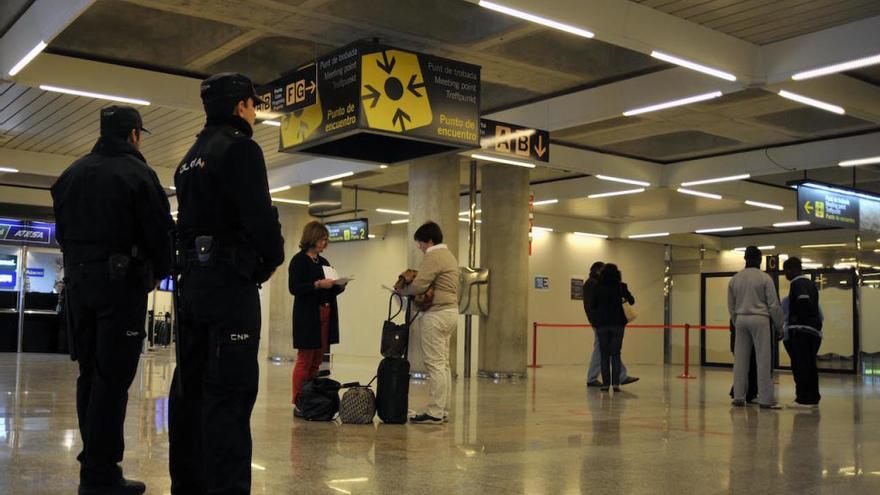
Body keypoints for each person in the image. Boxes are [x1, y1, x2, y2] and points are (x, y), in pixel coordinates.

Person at [168, 73, 285, 494]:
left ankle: (188, 486)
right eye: (254, 104)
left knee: (190, 394)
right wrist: (269, 260)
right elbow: (260, 219)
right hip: (229, 289)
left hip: (193, 288)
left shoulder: (189, 158)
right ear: (241, 107)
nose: (255, 112)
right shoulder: (241, 150)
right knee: (229, 399)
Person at [51, 105, 173, 495]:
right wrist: (159, 270)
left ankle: (93, 464)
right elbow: (159, 233)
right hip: (119, 286)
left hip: (78, 285)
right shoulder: (137, 174)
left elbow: (62, 233)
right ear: (134, 135)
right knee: (113, 378)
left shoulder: (70, 175)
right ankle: (102, 473)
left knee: (89, 373)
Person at [399, 221, 460, 424]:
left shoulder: (433, 256)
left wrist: (401, 291)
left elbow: (419, 285)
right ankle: (443, 410)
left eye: (421, 243)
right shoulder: (449, 256)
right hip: (451, 312)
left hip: (436, 315)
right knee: (443, 364)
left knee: (434, 364)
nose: (420, 247)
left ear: (430, 241)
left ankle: (434, 412)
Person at [289, 221, 347, 409]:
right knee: (305, 358)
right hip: (308, 315)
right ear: (312, 238)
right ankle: (298, 399)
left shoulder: (323, 262)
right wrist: (317, 284)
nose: (324, 243)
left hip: (326, 312)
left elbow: (329, 291)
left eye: (326, 240)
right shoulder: (298, 261)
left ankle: (310, 395)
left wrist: (339, 286)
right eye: (322, 239)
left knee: (318, 359)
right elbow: (294, 288)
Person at [727, 246, 784, 409]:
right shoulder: (765, 278)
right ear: (759, 259)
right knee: (763, 359)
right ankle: (765, 399)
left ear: (745, 259)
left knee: (740, 360)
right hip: (760, 319)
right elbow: (773, 305)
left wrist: (736, 319)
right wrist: (779, 326)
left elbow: (730, 305)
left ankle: (738, 396)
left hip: (740, 319)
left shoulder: (735, 279)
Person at [583, 261, 638, 387]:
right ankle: (596, 378)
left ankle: (619, 376)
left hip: (600, 323)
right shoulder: (595, 284)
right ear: (598, 271)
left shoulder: (593, 284)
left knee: (607, 350)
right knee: (607, 350)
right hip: (604, 323)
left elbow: (591, 305)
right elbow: (593, 306)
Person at [782, 257, 822, 408]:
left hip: (801, 331)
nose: (786, 274)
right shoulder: (811, 284)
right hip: (813, 331)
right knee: (810, 365)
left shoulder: (797, 283)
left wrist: (796, 319)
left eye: (786, 270)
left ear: (792, 269)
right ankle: (813, 397)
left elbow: (802, 301)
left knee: (801, 365)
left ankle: (803, 399)